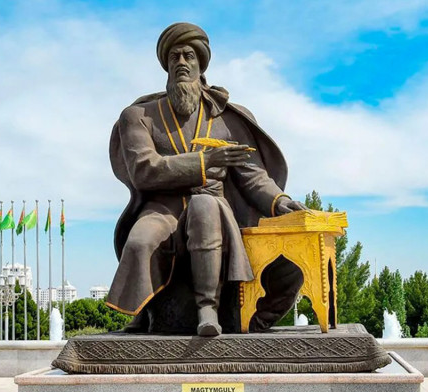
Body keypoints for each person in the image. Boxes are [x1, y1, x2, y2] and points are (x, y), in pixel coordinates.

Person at [107, 22, 306, 336]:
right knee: (141, 241)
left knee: (204, 206)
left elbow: (253, 176)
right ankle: (148, 311)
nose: (181, 62)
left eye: (189, 56)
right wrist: (205, 161)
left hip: (215, 206)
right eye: (174, 57)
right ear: (166, 65)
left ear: (201, 63)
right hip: (163, 208)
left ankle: (209, 309)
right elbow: (145, 170)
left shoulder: (227, 118)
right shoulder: (139, 116)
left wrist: (279, 201)